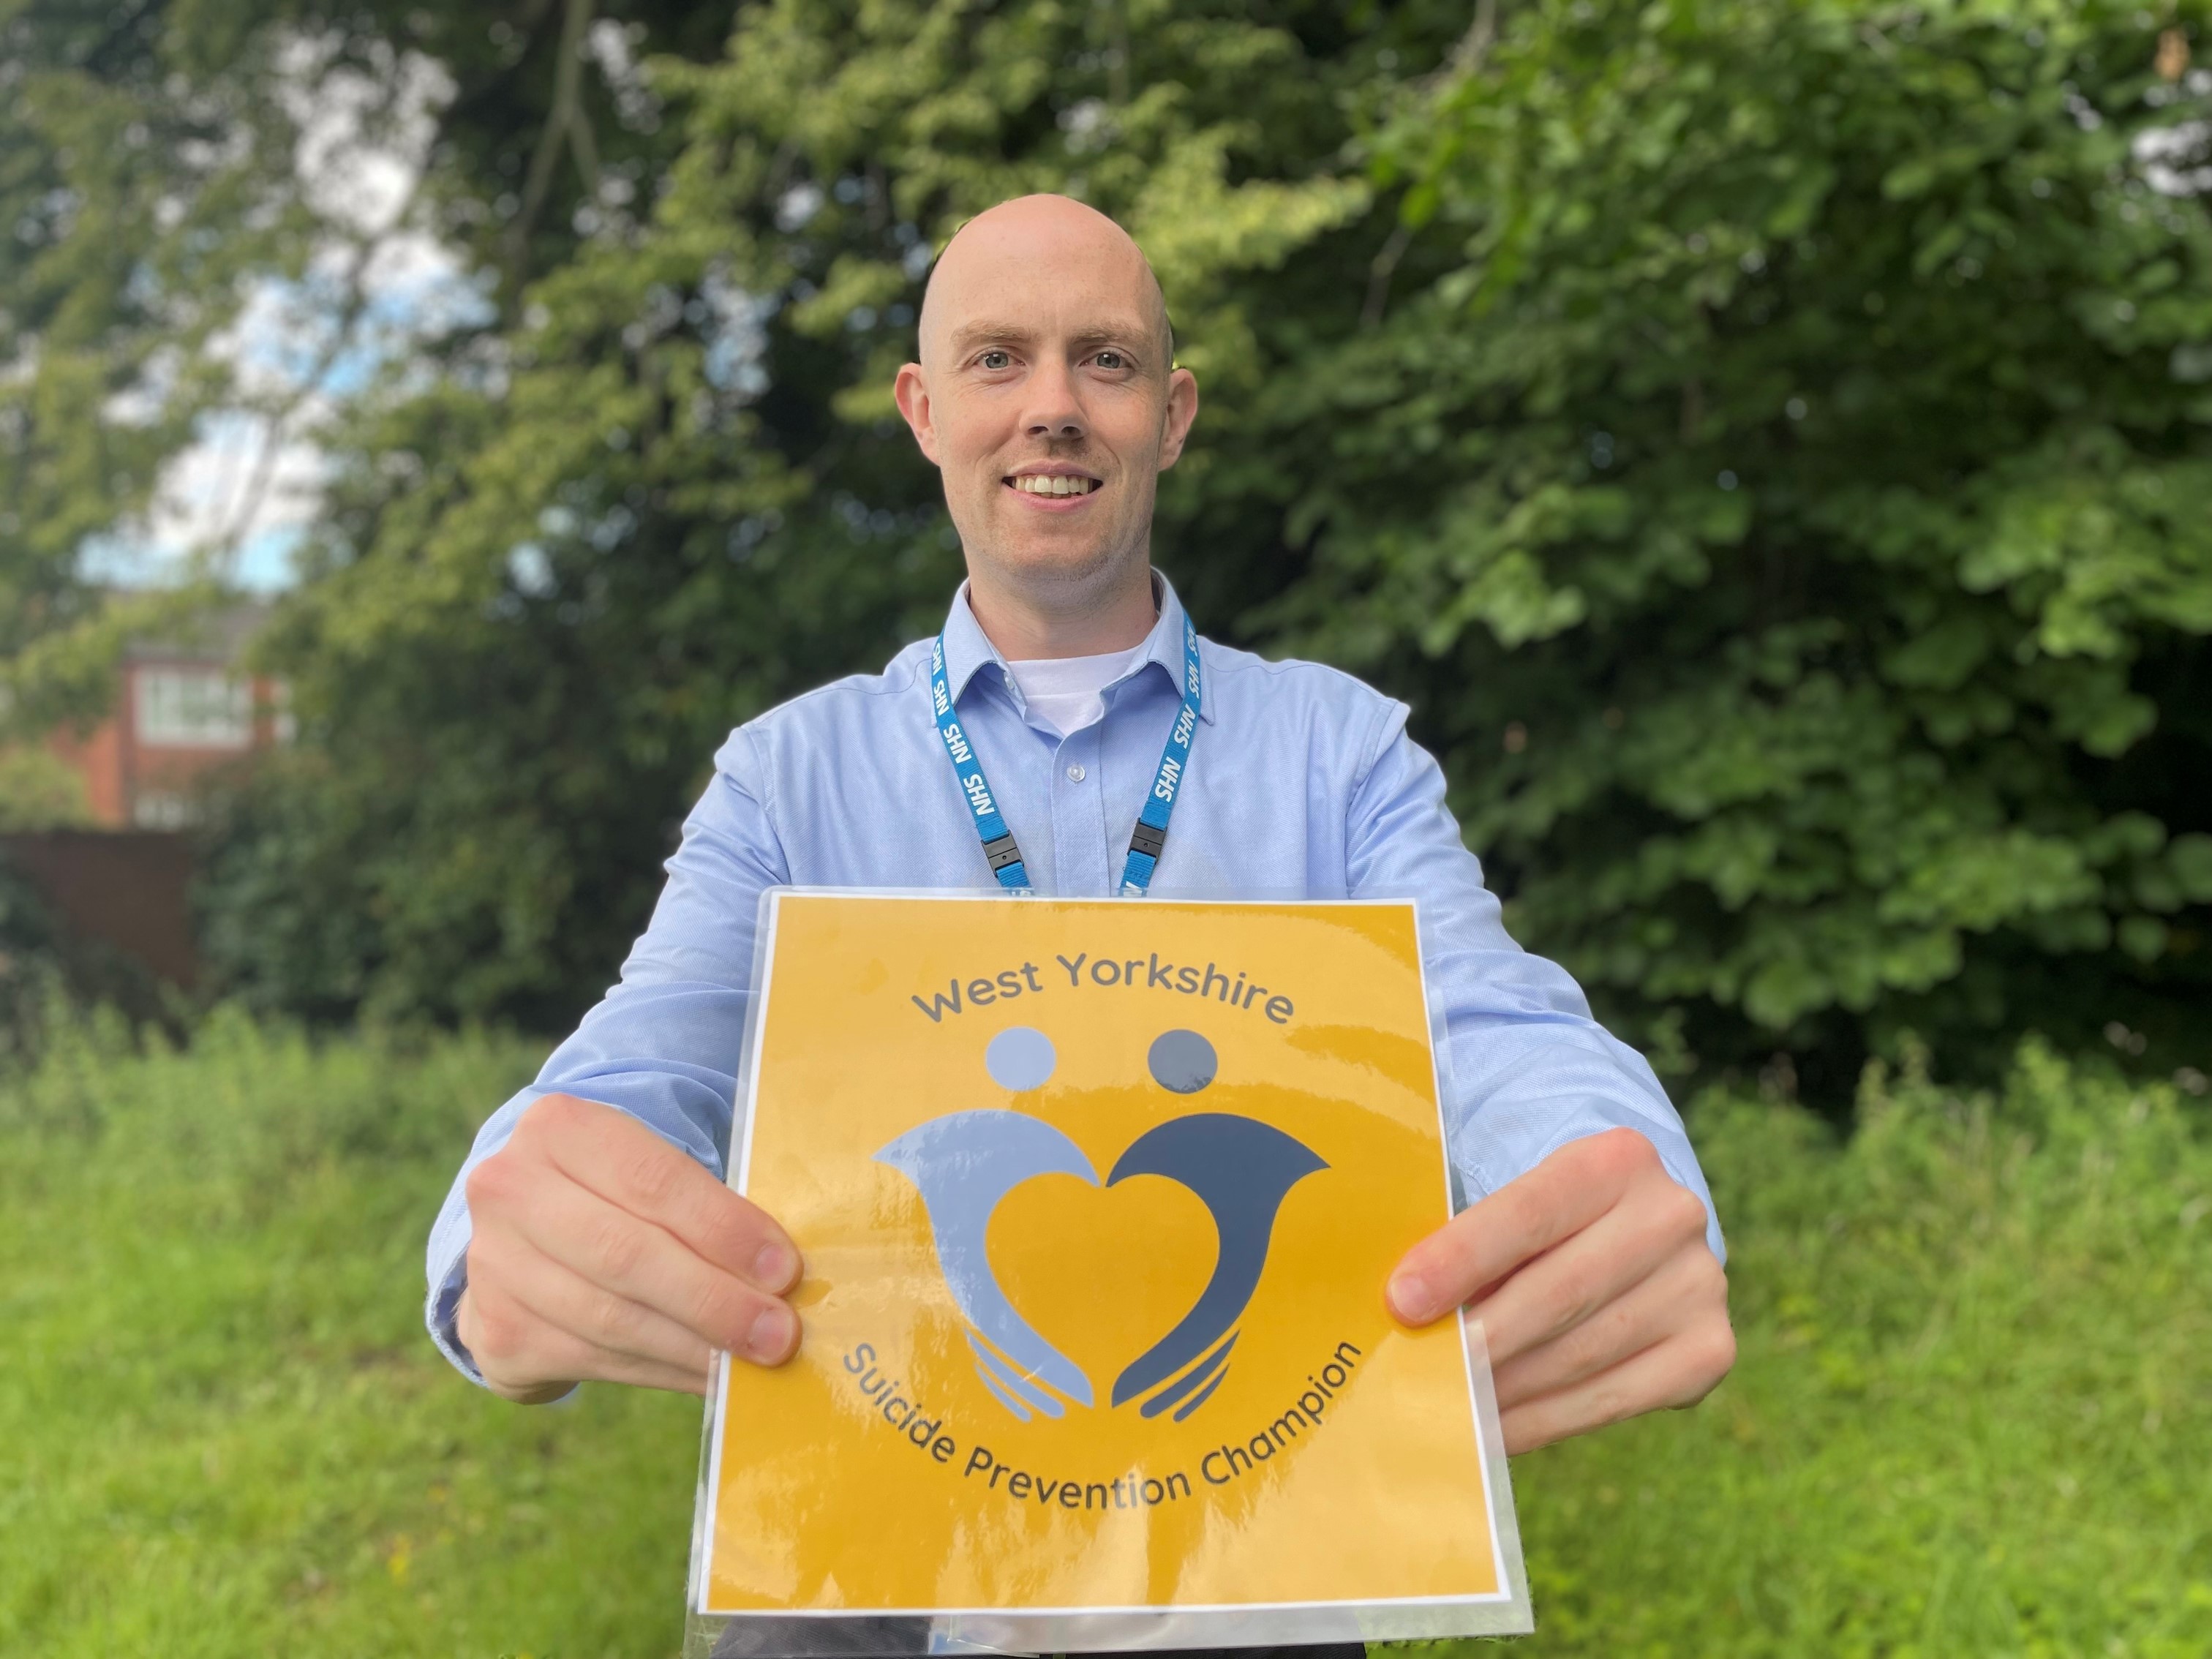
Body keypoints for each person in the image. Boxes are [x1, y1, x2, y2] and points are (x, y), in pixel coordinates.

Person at [426, 194, 1734, 1647]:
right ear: (923, 412)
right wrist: (506, 1231)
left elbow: (1482, 1017)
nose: (1052, 406)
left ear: (1171, 416)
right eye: (998, 360)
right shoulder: (788, 774)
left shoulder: (1341, 753)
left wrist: (1617, 1171)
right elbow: (635, 1064)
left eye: (1103, 361)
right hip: (859, 1589)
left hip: (1259, 1561)